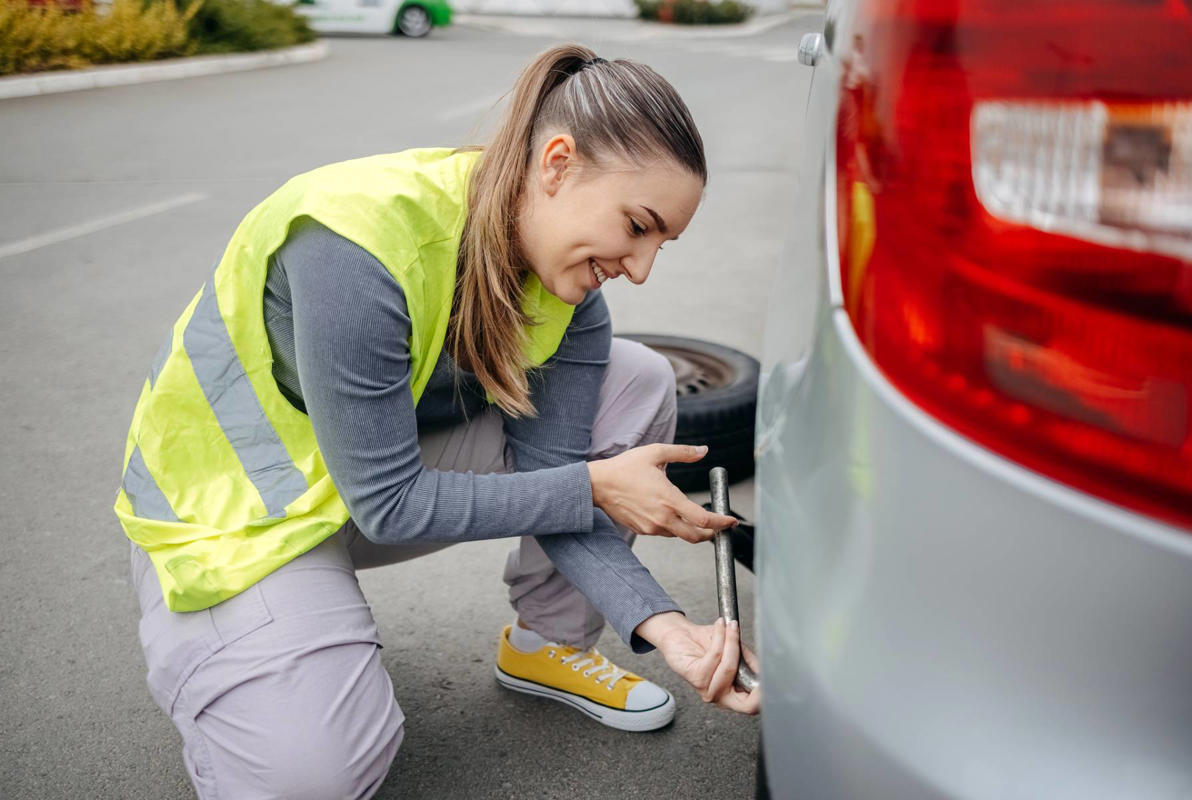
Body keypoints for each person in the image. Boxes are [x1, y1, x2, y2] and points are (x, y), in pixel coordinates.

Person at [116, 43, 761, 798]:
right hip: (232, 519)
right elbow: (396, 505)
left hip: (360, 492)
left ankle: (545, 647)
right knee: (313, 776)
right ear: (556, 163)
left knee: (639, 377)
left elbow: (556, 487)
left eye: (662, 243)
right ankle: (238, 666)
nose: (642, 266)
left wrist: (665, 626)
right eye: (637, 225)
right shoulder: (356, 244)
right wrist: (594, 485)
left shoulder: (572, 299)